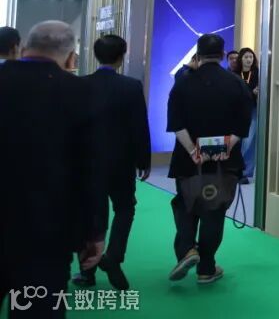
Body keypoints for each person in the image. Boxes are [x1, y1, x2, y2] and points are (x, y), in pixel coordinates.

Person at [0, 21, 104, 317]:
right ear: (71, 57)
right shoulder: (80, 92)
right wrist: (93, 231)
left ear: (23, 47)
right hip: (47, 233)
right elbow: (90, 169)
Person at [166, 33, 252, 286]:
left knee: (185, 204)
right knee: (214, 210)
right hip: (224, 161)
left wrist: (192, 150)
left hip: (188, 159)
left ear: (198, 55)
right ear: (224, 55)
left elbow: (175, 123)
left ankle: (187, 249)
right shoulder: (236, 83)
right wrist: (225, 147)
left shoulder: (183, 83)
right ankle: (206, 268)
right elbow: (242, 125)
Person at [73, 35, 151, 291]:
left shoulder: (80, 85)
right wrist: (144, 159)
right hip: (121, 161)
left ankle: (87, 272)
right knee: (125, 208)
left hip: (87, 162)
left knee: (89, 214)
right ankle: (113, 257)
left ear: (96, 55)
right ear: (121, 57)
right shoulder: (131, 86)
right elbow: (139, 126)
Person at [236, 47, 259, 183]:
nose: (249, 59)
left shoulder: (257, 73)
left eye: (251, 57)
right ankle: (236, 169)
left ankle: (247, 171)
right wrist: (251, 92)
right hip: (237, 111)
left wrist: (252, 93)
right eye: (246, 57)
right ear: (241, 59)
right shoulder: (235, 74)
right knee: (237, 140)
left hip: (253, 109)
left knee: (250, 141)